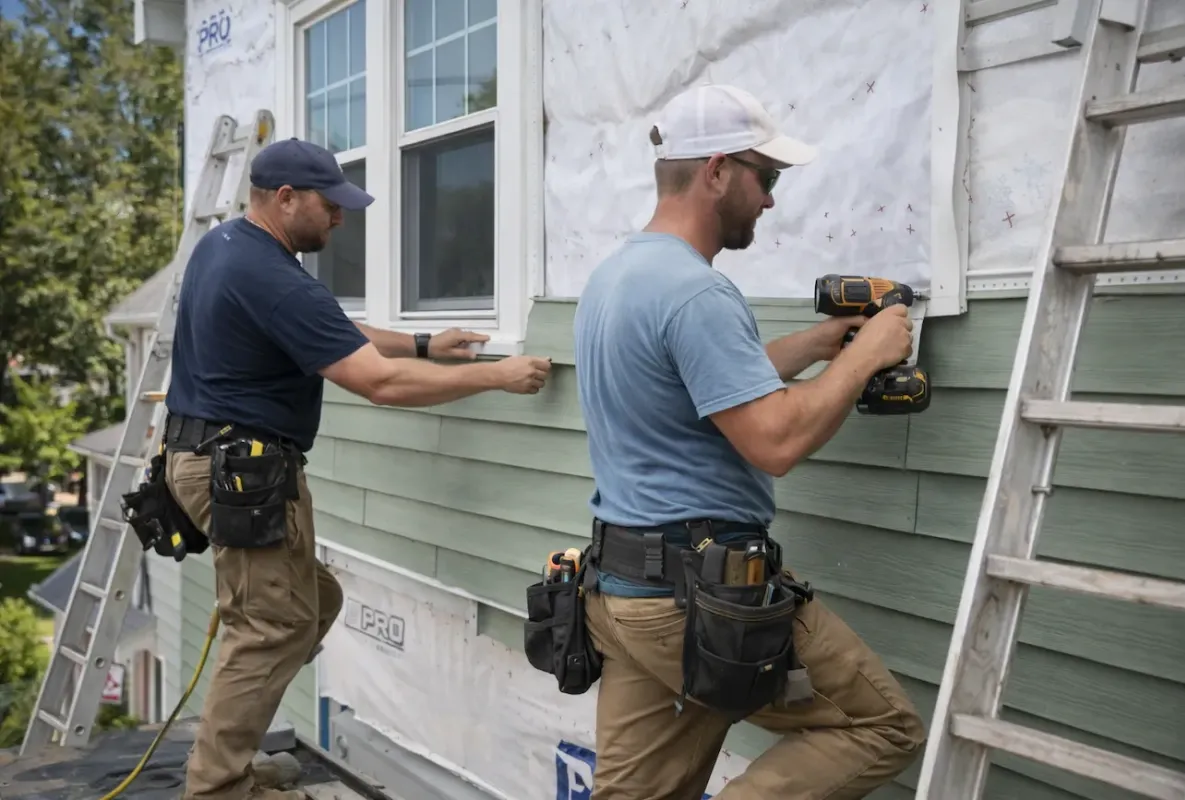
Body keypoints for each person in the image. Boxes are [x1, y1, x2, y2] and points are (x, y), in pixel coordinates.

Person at [162, 137, 552, 800]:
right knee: (272, 627)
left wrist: (428, 340)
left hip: (209, 461)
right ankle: (219, 787)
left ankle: (231, 764)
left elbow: (332, 330)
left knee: (313, 603)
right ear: (285, 199)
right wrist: (497, 375)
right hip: (243, 475)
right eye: (329, 205)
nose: (340, 218)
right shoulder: (271, 275)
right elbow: (379, 383)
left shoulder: (230, 247)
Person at [573, 84, 926, 799]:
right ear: (717, 171)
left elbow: (711, 387)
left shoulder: (617, 277)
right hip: (697, 603)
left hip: (625, 592)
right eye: (766, 177)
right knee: (882, 726)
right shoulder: (697, 293)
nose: (770, 200)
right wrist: (869, 352)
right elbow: (775, 441)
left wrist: (824, 343)